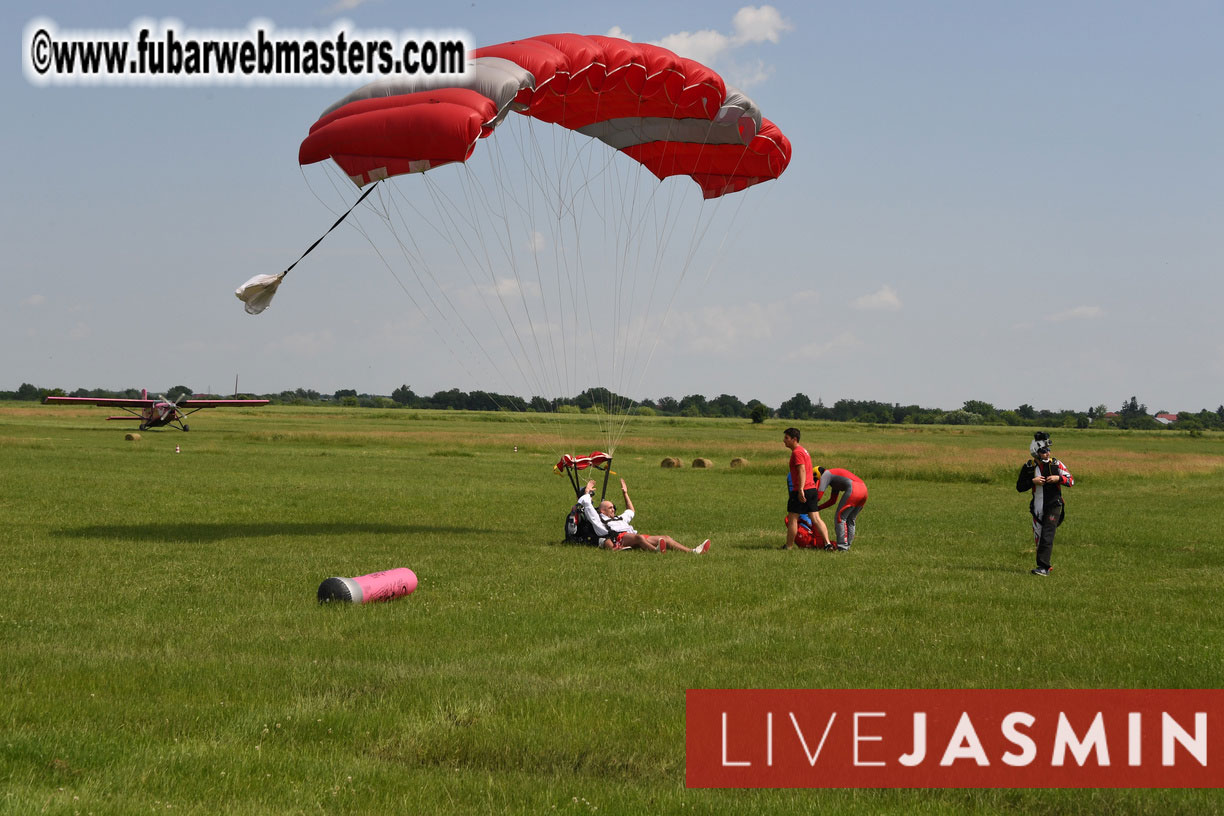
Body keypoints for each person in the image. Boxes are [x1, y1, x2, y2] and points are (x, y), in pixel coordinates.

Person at [577, 478, 710, 554]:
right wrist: (587, 491)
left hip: (633, 537)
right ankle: (657, 552)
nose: (613, 509)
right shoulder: (599, 520)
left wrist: (625, 494)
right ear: (602, 511)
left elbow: (631, 511)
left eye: (613, 507)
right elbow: (587, 505)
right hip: (619, 539)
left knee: (666, 538)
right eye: (610, 508)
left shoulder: (619, 518)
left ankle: (692, 551)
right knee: (639, 537)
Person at [1016, 431, 1074, 576]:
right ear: (1036, 452)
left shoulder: (1056, 464)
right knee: (1039, 536)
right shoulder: (1029, 467)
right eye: (1043, 451)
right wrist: (1032, 482)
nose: (1047, 453)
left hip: (1054, 505)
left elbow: (1071, 481)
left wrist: (1058, 479)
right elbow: (1019, 487)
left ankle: (1043, 567)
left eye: (1048, 450)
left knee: (1047, 534)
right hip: (1037, 507)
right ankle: (1043, 565)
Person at [782, 427, 827, 549]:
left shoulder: (797, 452)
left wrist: (800, 489)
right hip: (811, 489)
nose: (784, 440)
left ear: (794, 439)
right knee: (816, 518)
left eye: (786, 438)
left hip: (802, 489)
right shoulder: (804, 450)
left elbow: (801, 470)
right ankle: (827, 544)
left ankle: (789, 546)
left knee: (792, 518)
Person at [815, 467, 868, 551]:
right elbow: (833, 500)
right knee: (850, 519)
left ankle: (842, 547)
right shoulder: (834, 480)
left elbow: (818, 496)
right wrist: (818, 508)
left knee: (840, 517)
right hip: (864, 489)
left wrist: (809, 504)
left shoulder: (826, 474)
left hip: (854, 490)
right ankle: (847, 545)